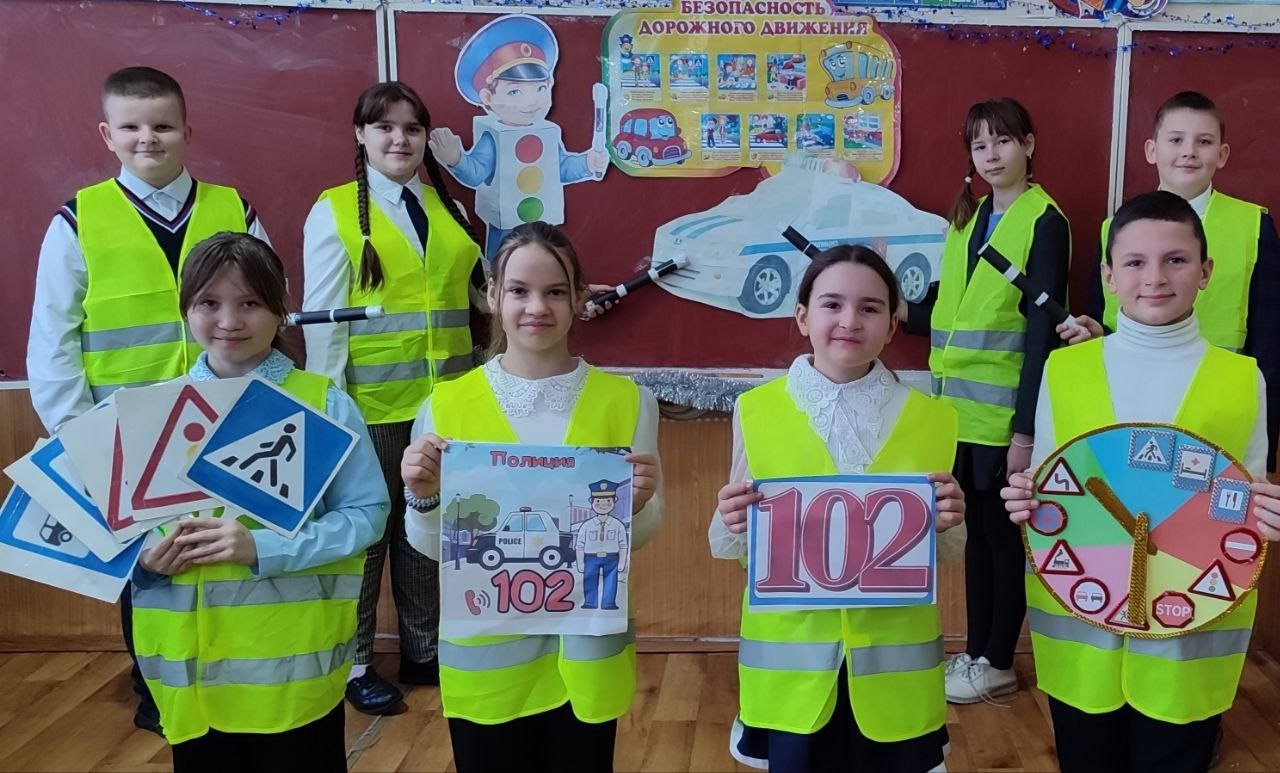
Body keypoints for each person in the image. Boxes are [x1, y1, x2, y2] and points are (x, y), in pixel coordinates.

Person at [26, 65, 270, 735]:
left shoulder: (235, 210)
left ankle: (225, 674)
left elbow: (266, 313)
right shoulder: (77, 220)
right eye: (131, 127)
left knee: (221, 550)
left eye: (163, 125)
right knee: (152, 563)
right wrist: (81, 437)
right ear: (108, 135)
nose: (148, 139)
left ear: (188, 130)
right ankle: (154, 683)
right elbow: (51, 342)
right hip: (125, 436)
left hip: (226, 425)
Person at [1003, 190, 1280, 773]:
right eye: (1134, 262)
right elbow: (1051, 489)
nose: (1154, 277)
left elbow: (1244, 502)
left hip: (1188, 632)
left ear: (1206, 271)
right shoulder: (1064, 369)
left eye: (1175, 260)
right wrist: (1024, 498)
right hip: (1083, 629)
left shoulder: (1243, 379)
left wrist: (1269, 513)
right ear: (1108, 275)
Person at [400, 222, 662, 772]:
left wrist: (636, 505)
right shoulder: (446, 404)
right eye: (519, 290)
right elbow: (431, 545)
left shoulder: (627, 401)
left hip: (585, 657)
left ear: (580, 299)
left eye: (556, 291)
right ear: (493, 295)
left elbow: (641, 532)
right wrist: (423, 498)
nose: (537, 307)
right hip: (488, 666)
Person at [130, 232, 388, 770]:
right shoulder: (151, 412)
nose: (229, 321)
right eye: (209, 303)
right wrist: (144, 564)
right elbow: (117, 537)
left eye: (249, 303)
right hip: (190, 680)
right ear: (186, 309)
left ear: (280, 310)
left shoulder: (323, 406)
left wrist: (263, 548)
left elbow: (366, 515)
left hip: (291, 675)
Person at [712, 245, 966, 773]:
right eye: (832, 304)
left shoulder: (935, 419)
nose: (850, 321)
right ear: (802, 317)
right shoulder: (756, 409)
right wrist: (733, 518)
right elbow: (729, 541)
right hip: (794, 671)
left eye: (870, 308)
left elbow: (946, 549)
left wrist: (947, 520)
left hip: (894, 670)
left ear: (892, 325)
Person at [302, 80, 483, 715]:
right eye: (384, 127)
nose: (399, 139)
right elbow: (324, 323)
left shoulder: (447, 207)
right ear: (361, 134)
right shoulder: (333, 210)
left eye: (411, 128)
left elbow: (476, 300)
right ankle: (353, 664)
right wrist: (329, 411)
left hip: (447, 405)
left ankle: (423, 650)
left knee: (428, 528)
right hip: (369, 408)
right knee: (366, 536)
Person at [902, 97, 1071, 703]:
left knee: (1003, 544)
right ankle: (975, 653)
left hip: (1004, 423)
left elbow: (1042, 333)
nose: (991, 154)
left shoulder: (1043, 221)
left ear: (1028, 144)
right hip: (958, 417)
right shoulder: (968, 220)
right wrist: (887, 305)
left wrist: (1026, 432)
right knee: (978, 542)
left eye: (1002, 141)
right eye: (979, 145)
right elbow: (946, 310)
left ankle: (998, 660)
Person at [1088, 91, 1280, 473]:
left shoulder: (1254, 226)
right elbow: (1102, 320)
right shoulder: (1115, 228)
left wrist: (1266, 438)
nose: (1189, 152)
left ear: (1222, 154)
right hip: (1130, 403)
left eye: (1203, 141)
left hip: (1218, 408)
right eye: (1176, 140)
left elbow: (1270, 341)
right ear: (1152, 150)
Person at [574, 480, 630, 610]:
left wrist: (622, 562)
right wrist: (580, 562)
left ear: (615, 500)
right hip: (591, 557)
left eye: (608, 501)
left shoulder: (618, 525)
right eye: (598, 501)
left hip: (612, 557)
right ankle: (590, 602)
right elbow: (579, 545)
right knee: (589, 580)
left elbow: (623, 545)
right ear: (591, 501)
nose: (603, 504)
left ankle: (609, 603)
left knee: (611, 581)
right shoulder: (586, 525)